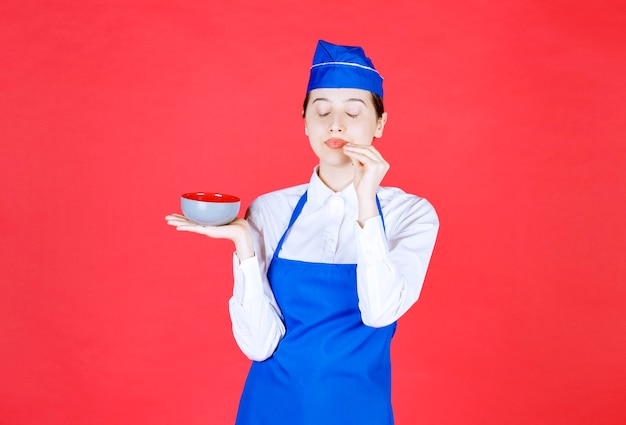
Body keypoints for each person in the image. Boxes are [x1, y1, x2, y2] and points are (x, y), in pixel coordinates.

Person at [166, 40, 439, 425]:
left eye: (353, 112)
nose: (335, 124)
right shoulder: (270, 210)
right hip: (269, 408)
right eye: (322, 110)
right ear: (305, 122)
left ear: (380, 123)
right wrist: (244, 247)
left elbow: (379, 313)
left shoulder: (409, 214)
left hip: (359, 412)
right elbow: (258, 346)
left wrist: (365, 202)